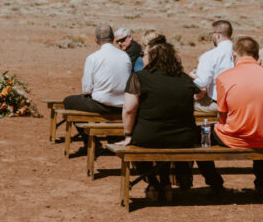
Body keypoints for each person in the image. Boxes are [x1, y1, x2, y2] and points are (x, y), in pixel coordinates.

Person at [195, 37, 263, 196]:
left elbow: (222, 115)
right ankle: (262, 184)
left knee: (198, 137)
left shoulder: (225, 77)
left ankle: (215, 183)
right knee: (259, 130)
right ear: (257, 56)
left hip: (235, 138)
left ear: (234, 55)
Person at [116, 36, 198, 201]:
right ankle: (166, 182)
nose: (142, 57)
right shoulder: (185, 78)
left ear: (152, 58)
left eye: (144, 54)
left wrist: (127, 134)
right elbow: (198, 94)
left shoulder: (139, 77)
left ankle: (153, 183)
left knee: (143, 141)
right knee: (163, 137)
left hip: (149, 135)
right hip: (184, 137)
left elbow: (129, 109)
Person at [62, 25, 132, 114]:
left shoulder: (92, 58)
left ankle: (83, 128)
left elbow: (86, 90)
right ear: (113, 38)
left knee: (68, 101)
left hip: (102, 105)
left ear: (96, 40)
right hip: (122, 105)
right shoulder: (125, 56)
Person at [190, 20, 234, 111]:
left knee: (184, 104)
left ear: (217, 34)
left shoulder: (210, 55)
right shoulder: (239, 52)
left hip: (218, 103)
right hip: (239, 100)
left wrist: (192, 79)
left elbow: (202, 82)